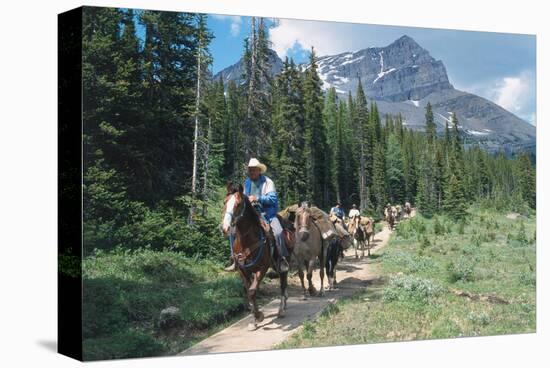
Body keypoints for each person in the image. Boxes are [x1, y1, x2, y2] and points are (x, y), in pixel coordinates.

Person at [225, 158, 290, 273]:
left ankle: (280, 259)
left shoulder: (268, 182)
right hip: (251, 215)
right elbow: (243, 198)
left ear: (259, 170)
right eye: (250, 170)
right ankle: (234, 259)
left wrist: (258, 198)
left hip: (267, 214)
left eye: (254, 170)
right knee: (233, 231)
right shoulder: (247, 182)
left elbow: (273, 199)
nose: (251, 172)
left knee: (278, 232)